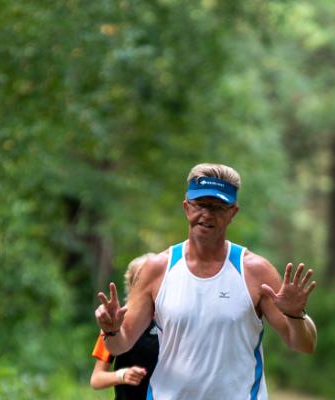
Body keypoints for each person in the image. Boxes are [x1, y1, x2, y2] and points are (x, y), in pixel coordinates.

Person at [95, 163, 318, 400]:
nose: (207, 214)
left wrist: (295, 315)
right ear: (186, 207)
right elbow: (120, 345)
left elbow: (304, 345)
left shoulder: (255, 272)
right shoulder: (157, 270)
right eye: (200, 204)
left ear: (233, 212)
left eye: (218, 207)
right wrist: (111, 330)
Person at [90, 253, 159, 399]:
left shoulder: (172, 320)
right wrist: (122, 375)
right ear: (132, 286)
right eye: (142, 279)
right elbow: (96, 379)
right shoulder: (114, 323)